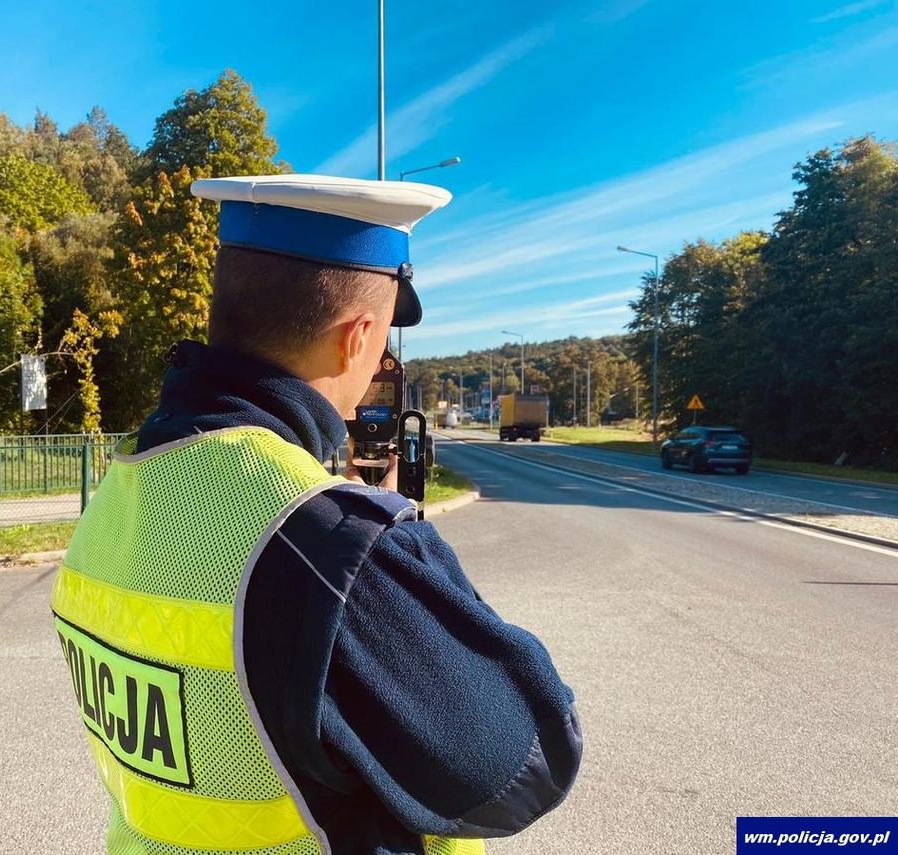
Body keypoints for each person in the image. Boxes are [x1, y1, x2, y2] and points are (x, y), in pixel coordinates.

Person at [50, 174, 581, 855]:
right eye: (384, 339)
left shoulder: (117, 498)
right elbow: (527, 764)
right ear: (357, 337)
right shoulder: (328, 543)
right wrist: (399, 541)